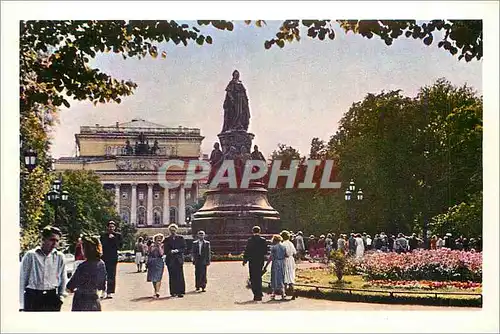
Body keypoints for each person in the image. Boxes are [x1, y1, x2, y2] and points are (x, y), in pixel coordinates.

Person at [20, 226, 68, 312]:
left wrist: (61, 297)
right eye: (52, 240)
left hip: (51, 297)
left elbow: (63, 278)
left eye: (57, 241)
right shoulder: (31, 255)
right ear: (43, 239)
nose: (54, 243)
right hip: (33, 296)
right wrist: (21, 304)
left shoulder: (59, 257)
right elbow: (22, 280)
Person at [66, 235, 107, 311]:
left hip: (80, 300)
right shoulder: (101, 264)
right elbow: (102, 285)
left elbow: (70, 286)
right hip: (94, 299)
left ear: (85, 249)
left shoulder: (83, 266)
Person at [242, 226, 268, 301]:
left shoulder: (250, 240)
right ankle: (259, 293)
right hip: (260, 261)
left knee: (253, 277)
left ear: (252, 231)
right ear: (259, 231)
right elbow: (265, 251)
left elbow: (247, 250)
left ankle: (256, 294)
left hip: (252, 261)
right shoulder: (263, 240)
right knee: (259, 277)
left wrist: (245, 260)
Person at [100, 220, 122, 299]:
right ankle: (102, 290)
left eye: (113, 227)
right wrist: (108, 239)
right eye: (110, 227)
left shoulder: (118, 235)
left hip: (113, 258)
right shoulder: (103, 235)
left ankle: (109, 292)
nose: (111, 228)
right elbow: (103, 245)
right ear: (107, 227)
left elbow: (119, 246)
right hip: (105, 257)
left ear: (115, 227)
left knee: (112, 275)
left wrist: (114, 239)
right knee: (103, 275)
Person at [163, 224, 186, 297]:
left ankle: (180, 291)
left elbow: (184, 248)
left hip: (179, 259)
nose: (173, 231)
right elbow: (165, 250)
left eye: (174, 230)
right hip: (170, 259)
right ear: (169, 231)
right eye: (171, 230)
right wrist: (170, 251)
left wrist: (178, 250)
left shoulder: (180, 238)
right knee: (172, 276)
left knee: (180, 275)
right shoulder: (167, 239)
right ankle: (173, 292)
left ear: (176, 230)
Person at [264, 235, 286, 300]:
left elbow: (271, 257)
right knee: (281, 277)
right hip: (282, 263)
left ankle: (273, 293)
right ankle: (283, 293)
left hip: (275, 262)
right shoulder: (284, 247)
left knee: (274, 277)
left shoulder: (274, 247)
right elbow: (286, 255)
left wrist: (266, 266)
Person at [280, 230, 297, 300]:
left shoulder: (282, 244)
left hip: (285, 260)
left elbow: (283, 253)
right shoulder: (291, 243)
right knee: (291, 276)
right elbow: (294, 252)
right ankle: (293, 291)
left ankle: (284, 294)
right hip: (291, 260)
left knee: (285, 276)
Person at [147, 233, 165, 298]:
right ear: (155, 239)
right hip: (152, 262)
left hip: (159, 262)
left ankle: (157, 291)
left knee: (158, 277)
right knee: (153, 278)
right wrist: (153, 247)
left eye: (160, 239)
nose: (159, 240)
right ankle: (155, 290)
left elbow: (161, 254)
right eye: (158, 239)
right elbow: (149, 253)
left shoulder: (163, 246)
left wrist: (159, 246)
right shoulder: (151, 246)